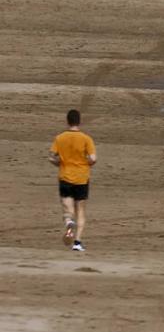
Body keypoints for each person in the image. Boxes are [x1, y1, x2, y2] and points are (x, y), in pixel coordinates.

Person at [49, 108, 96, 252]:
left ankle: (69, 222)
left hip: (65, 177)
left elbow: (51, 156)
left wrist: (59, 163)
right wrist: (86, 163)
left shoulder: (60, 138)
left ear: (67, 121)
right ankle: (77, 242)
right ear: (79, 121)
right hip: (81, 178)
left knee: (67, 209)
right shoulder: (86, 139)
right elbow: (93, 159)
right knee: (80, 210)